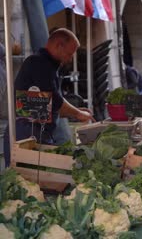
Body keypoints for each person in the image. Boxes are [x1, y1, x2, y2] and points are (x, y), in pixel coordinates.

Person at [3, 28, 95, 167]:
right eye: (69, 54)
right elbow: (56, 102)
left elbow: (50, 105)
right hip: (26, 133)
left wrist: (76, 112)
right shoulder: (39, 63)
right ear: (59, 45)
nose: (70, 59)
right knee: (24, 180)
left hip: (37, 132)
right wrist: (79, 113)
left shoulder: (49, 66)